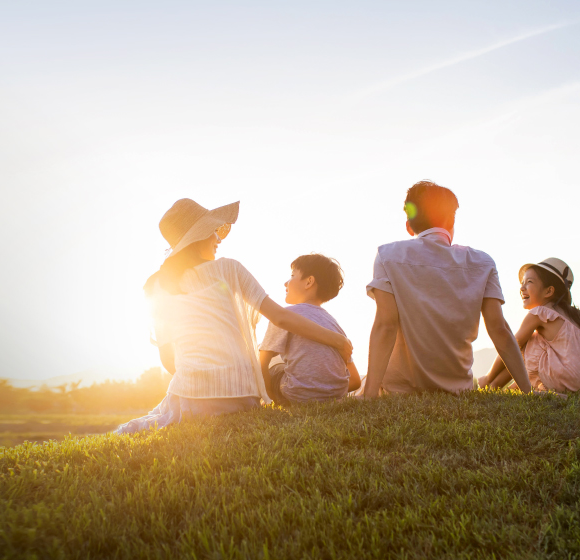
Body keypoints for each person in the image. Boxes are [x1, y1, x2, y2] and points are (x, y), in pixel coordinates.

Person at [115, 199, 354, 434]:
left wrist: (202, 379)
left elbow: (169, 360)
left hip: (192, 396)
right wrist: (338, 341)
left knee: (152, 421)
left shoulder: (157, 286)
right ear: (199, 236)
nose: (218, 238)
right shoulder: (230, 268)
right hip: (243, 398)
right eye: (212, 232)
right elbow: (280, 317)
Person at [360, 180, 534, 396]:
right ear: (452, 220)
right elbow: (499, 330)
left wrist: (368, 395)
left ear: (409, 226)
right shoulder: (483, 262)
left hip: (399, 390)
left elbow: (385, 326)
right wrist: (528, 391)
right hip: (458, 391)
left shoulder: (388, 255)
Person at [478, 258, 580, 393]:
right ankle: (500, 387)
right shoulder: (577, 318)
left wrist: (488, 376)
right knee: (537, 342)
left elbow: (509, 344)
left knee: (525, 341)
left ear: (549, 291)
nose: (522, 288)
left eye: (529, 282)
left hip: (571, 382)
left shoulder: (541, 313)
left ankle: (492, 384)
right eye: (522, 283)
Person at [258, 254, 362, 406]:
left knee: (270, 357)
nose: (285, 282)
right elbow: (355, 381)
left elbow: (262, 363)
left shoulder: (285, 315)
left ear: (309, 282)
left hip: (296, 394)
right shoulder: (335, 325)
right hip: (335, 396)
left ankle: (268, 401)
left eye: (292, 276)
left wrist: (272, 398)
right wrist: (326, 393)